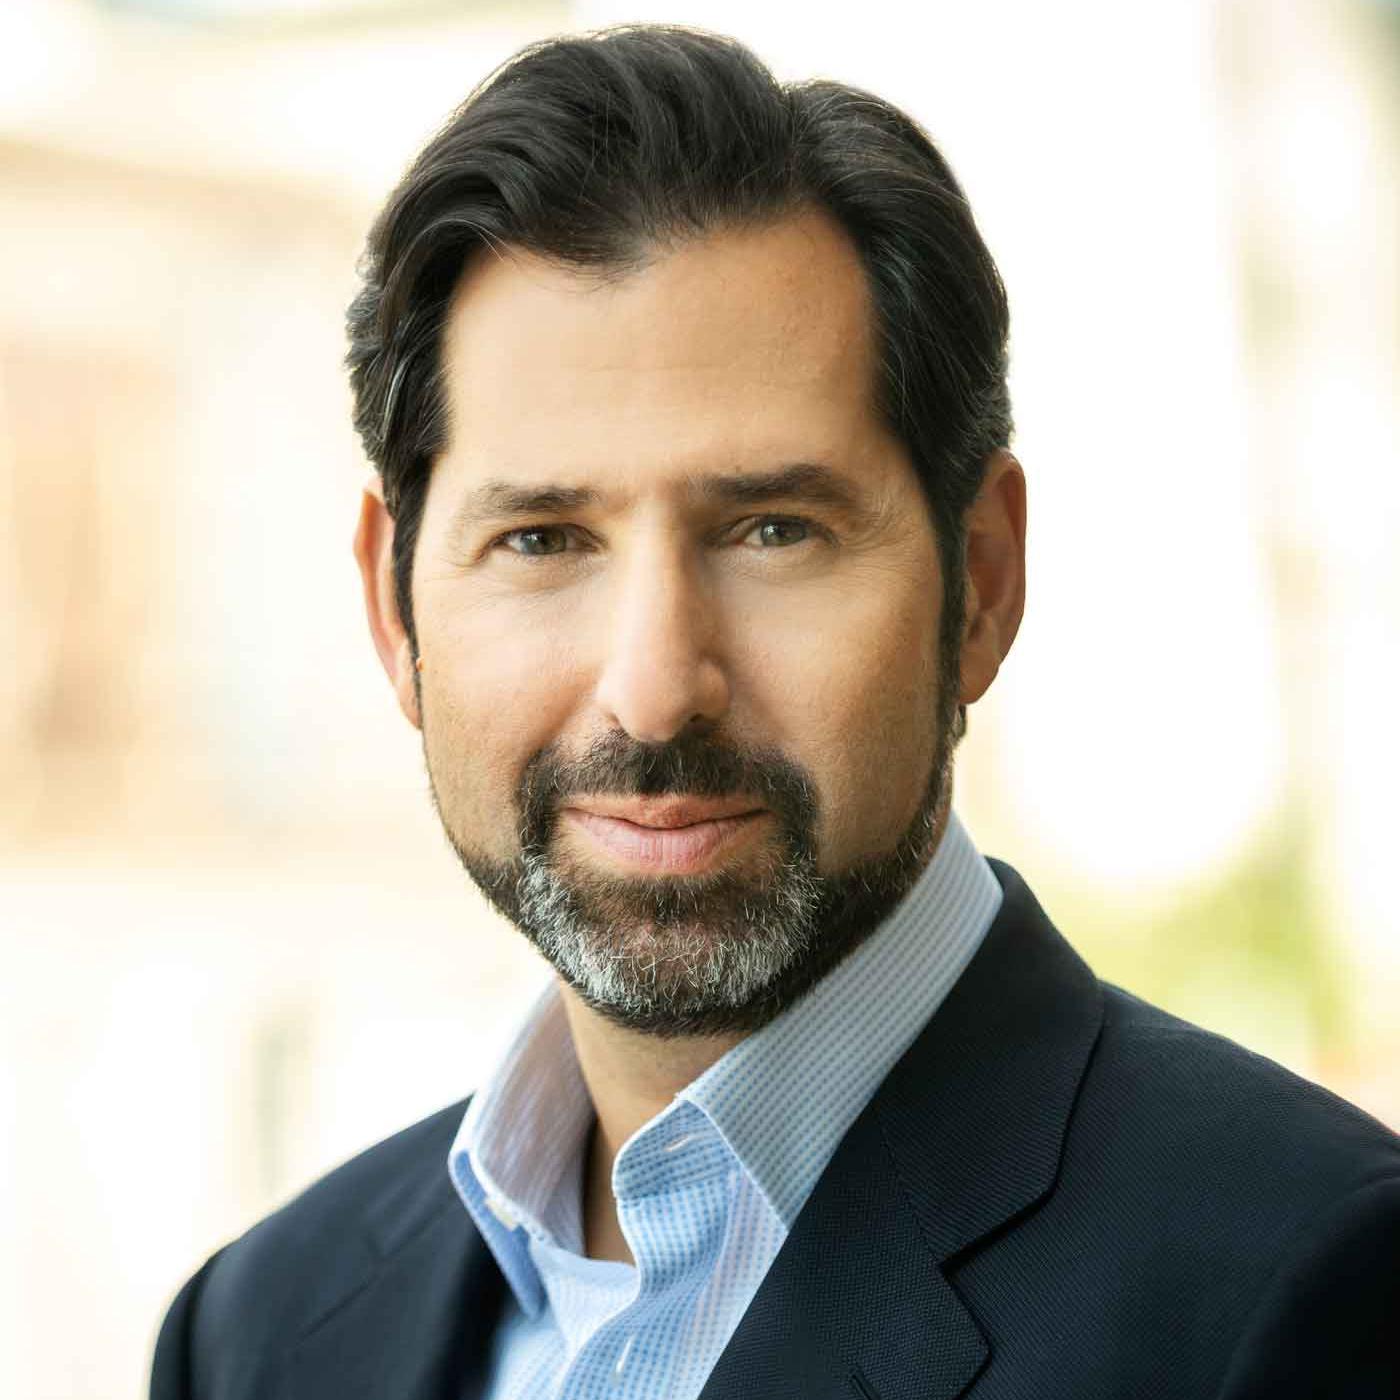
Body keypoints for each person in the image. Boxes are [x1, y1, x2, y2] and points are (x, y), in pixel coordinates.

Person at [150, 25, 1399, 1400]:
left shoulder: (1313, 1294)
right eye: (545, 540)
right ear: (397, 618)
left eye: (771, 530)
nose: (653, 684)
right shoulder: (257, 1334)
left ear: (980, 583)